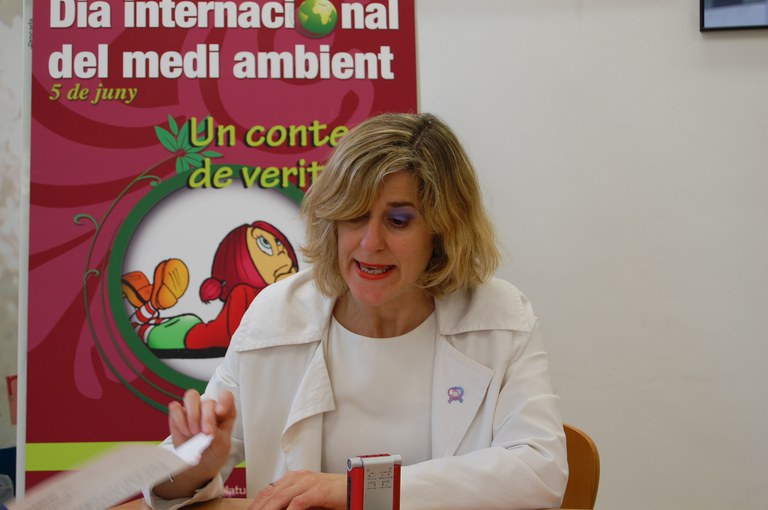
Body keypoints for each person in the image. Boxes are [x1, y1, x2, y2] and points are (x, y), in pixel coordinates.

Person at [144, 112, 568, 510]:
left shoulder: (499, 318)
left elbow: (540, 472)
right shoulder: (276, 316)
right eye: (354, 216)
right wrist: (195, 466)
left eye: (398, 221)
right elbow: (165, 488)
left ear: (443, 229)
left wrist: (356, 491)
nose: (370, 243)